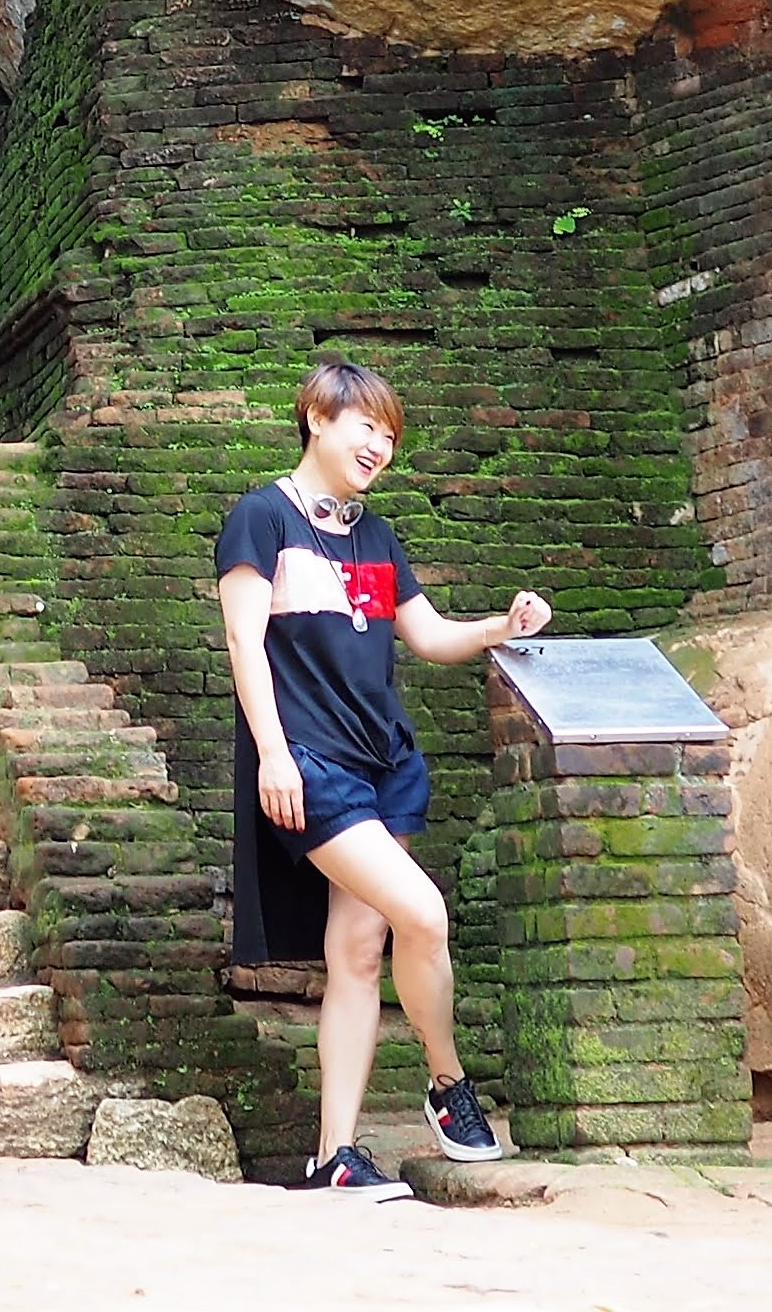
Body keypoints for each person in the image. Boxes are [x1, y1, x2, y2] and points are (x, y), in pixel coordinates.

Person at [214, 357, 544, 1196]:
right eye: (366, 426)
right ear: (317, 418)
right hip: (313, 764)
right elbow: (246, 647)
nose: (380, 445)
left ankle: (334, 1157)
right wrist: (276, 754)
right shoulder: (260, 521)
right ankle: (447, 1082)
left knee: (358, 952)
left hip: (384, 762)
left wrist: (502, 626)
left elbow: (427, 638)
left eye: (391, 435)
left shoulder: (375, 535)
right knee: (423, 912)